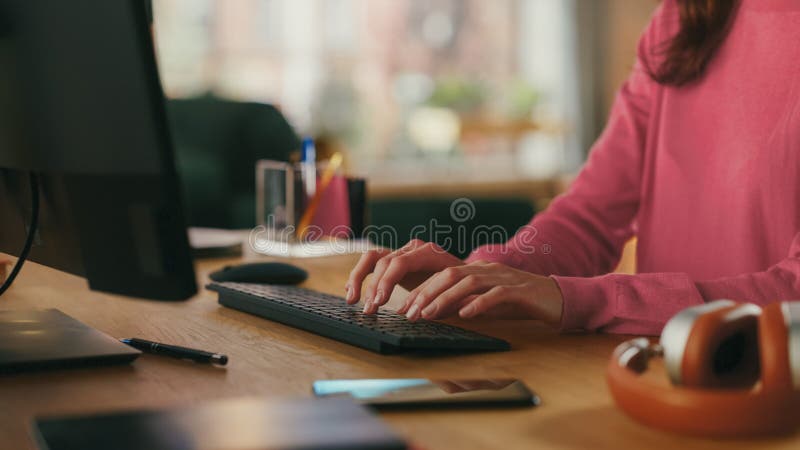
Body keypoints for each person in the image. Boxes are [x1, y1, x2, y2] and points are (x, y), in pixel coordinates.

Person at [344, 0, 800, 335]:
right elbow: (588, 217)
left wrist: (576, 298)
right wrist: (482, 277)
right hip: (655, 383)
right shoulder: (684, 19)